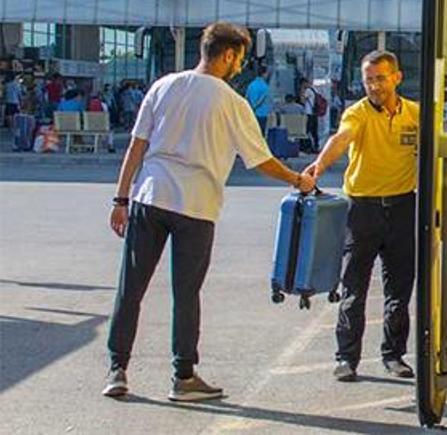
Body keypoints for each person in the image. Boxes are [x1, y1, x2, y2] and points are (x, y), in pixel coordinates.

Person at [102, 22, 316, 401]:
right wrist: (297, 179)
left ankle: (117, 370)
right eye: (240, 58)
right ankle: (183, 377)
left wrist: (121, 200)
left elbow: (136, 147)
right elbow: (260, 160)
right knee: (186, 293)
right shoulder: (232, 103)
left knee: (130, 288)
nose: (240, 66)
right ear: (228, 55)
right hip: (196, 205)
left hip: (149, 197)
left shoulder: (164, 85)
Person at [304, 51, 418, 382]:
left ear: (396, 78)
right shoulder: (358, 113)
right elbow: (341, 139)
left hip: (402, 206)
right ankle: (346, 358)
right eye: (369, 80)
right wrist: (318, 167)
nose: (374, 86)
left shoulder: (415, 114)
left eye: (381, 78)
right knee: (354, 286)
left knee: (400, 288)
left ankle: (394, 355)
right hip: (363, 209)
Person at [245, 66, 272, 133]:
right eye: (267, 73)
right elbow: (261, 100)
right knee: (261, 134)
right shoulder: (265, 86)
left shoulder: (251, 85)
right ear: (264, 74)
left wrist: (250, 109)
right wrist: (254, 107)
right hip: (262, 114)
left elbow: (246, 98)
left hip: (252, 114)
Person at [299, 78, 319, 153]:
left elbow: (302, 101)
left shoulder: (307, 91)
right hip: (314, 113)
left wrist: (302, 91)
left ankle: (307, 147)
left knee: (307, 131)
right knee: (314, 131)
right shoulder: (314, 90)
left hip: (309, 113)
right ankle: (316, 146)